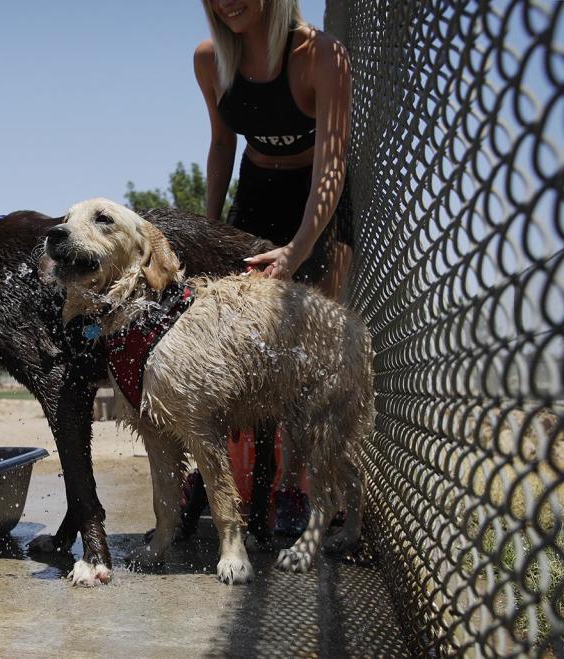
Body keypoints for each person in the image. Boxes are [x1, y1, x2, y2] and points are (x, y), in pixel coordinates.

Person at [192, 0, 354, 538]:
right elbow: (220, 142)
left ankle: (297, 486)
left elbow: (332, 162)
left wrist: (299, 248)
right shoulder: (211, 57)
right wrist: (207, 235)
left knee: (313, 352)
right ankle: (234, 480)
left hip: (316, 199)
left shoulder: (321, 55)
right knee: (243, 346)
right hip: (256, 190)